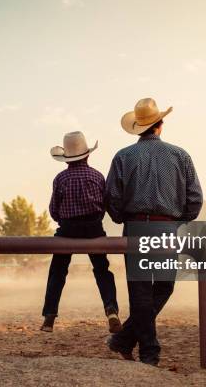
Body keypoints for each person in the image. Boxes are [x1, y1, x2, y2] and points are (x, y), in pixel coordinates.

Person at [104, 98, 203, 366]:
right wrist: (179, 220)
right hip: (166, 227)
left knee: (140, 292)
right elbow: (195, 198)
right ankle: (146, 351)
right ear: (160, 125)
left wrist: (122, 218)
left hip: (135, 227)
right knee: (164, 286)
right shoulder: (180, 155)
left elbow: (111, 196)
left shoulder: (123, 156)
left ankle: (129, 342)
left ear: (139, 128)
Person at [41, 131, 122, 333]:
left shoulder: (60, 178)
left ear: (66, 158)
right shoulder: (97, 176)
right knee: (102, 270)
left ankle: (49, 316)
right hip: (93, 228)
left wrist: (65, 219)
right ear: (87, 154)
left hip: (68, 229)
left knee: (57, 271)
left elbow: (53, 210)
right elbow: (104, 205)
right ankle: (111, 309)